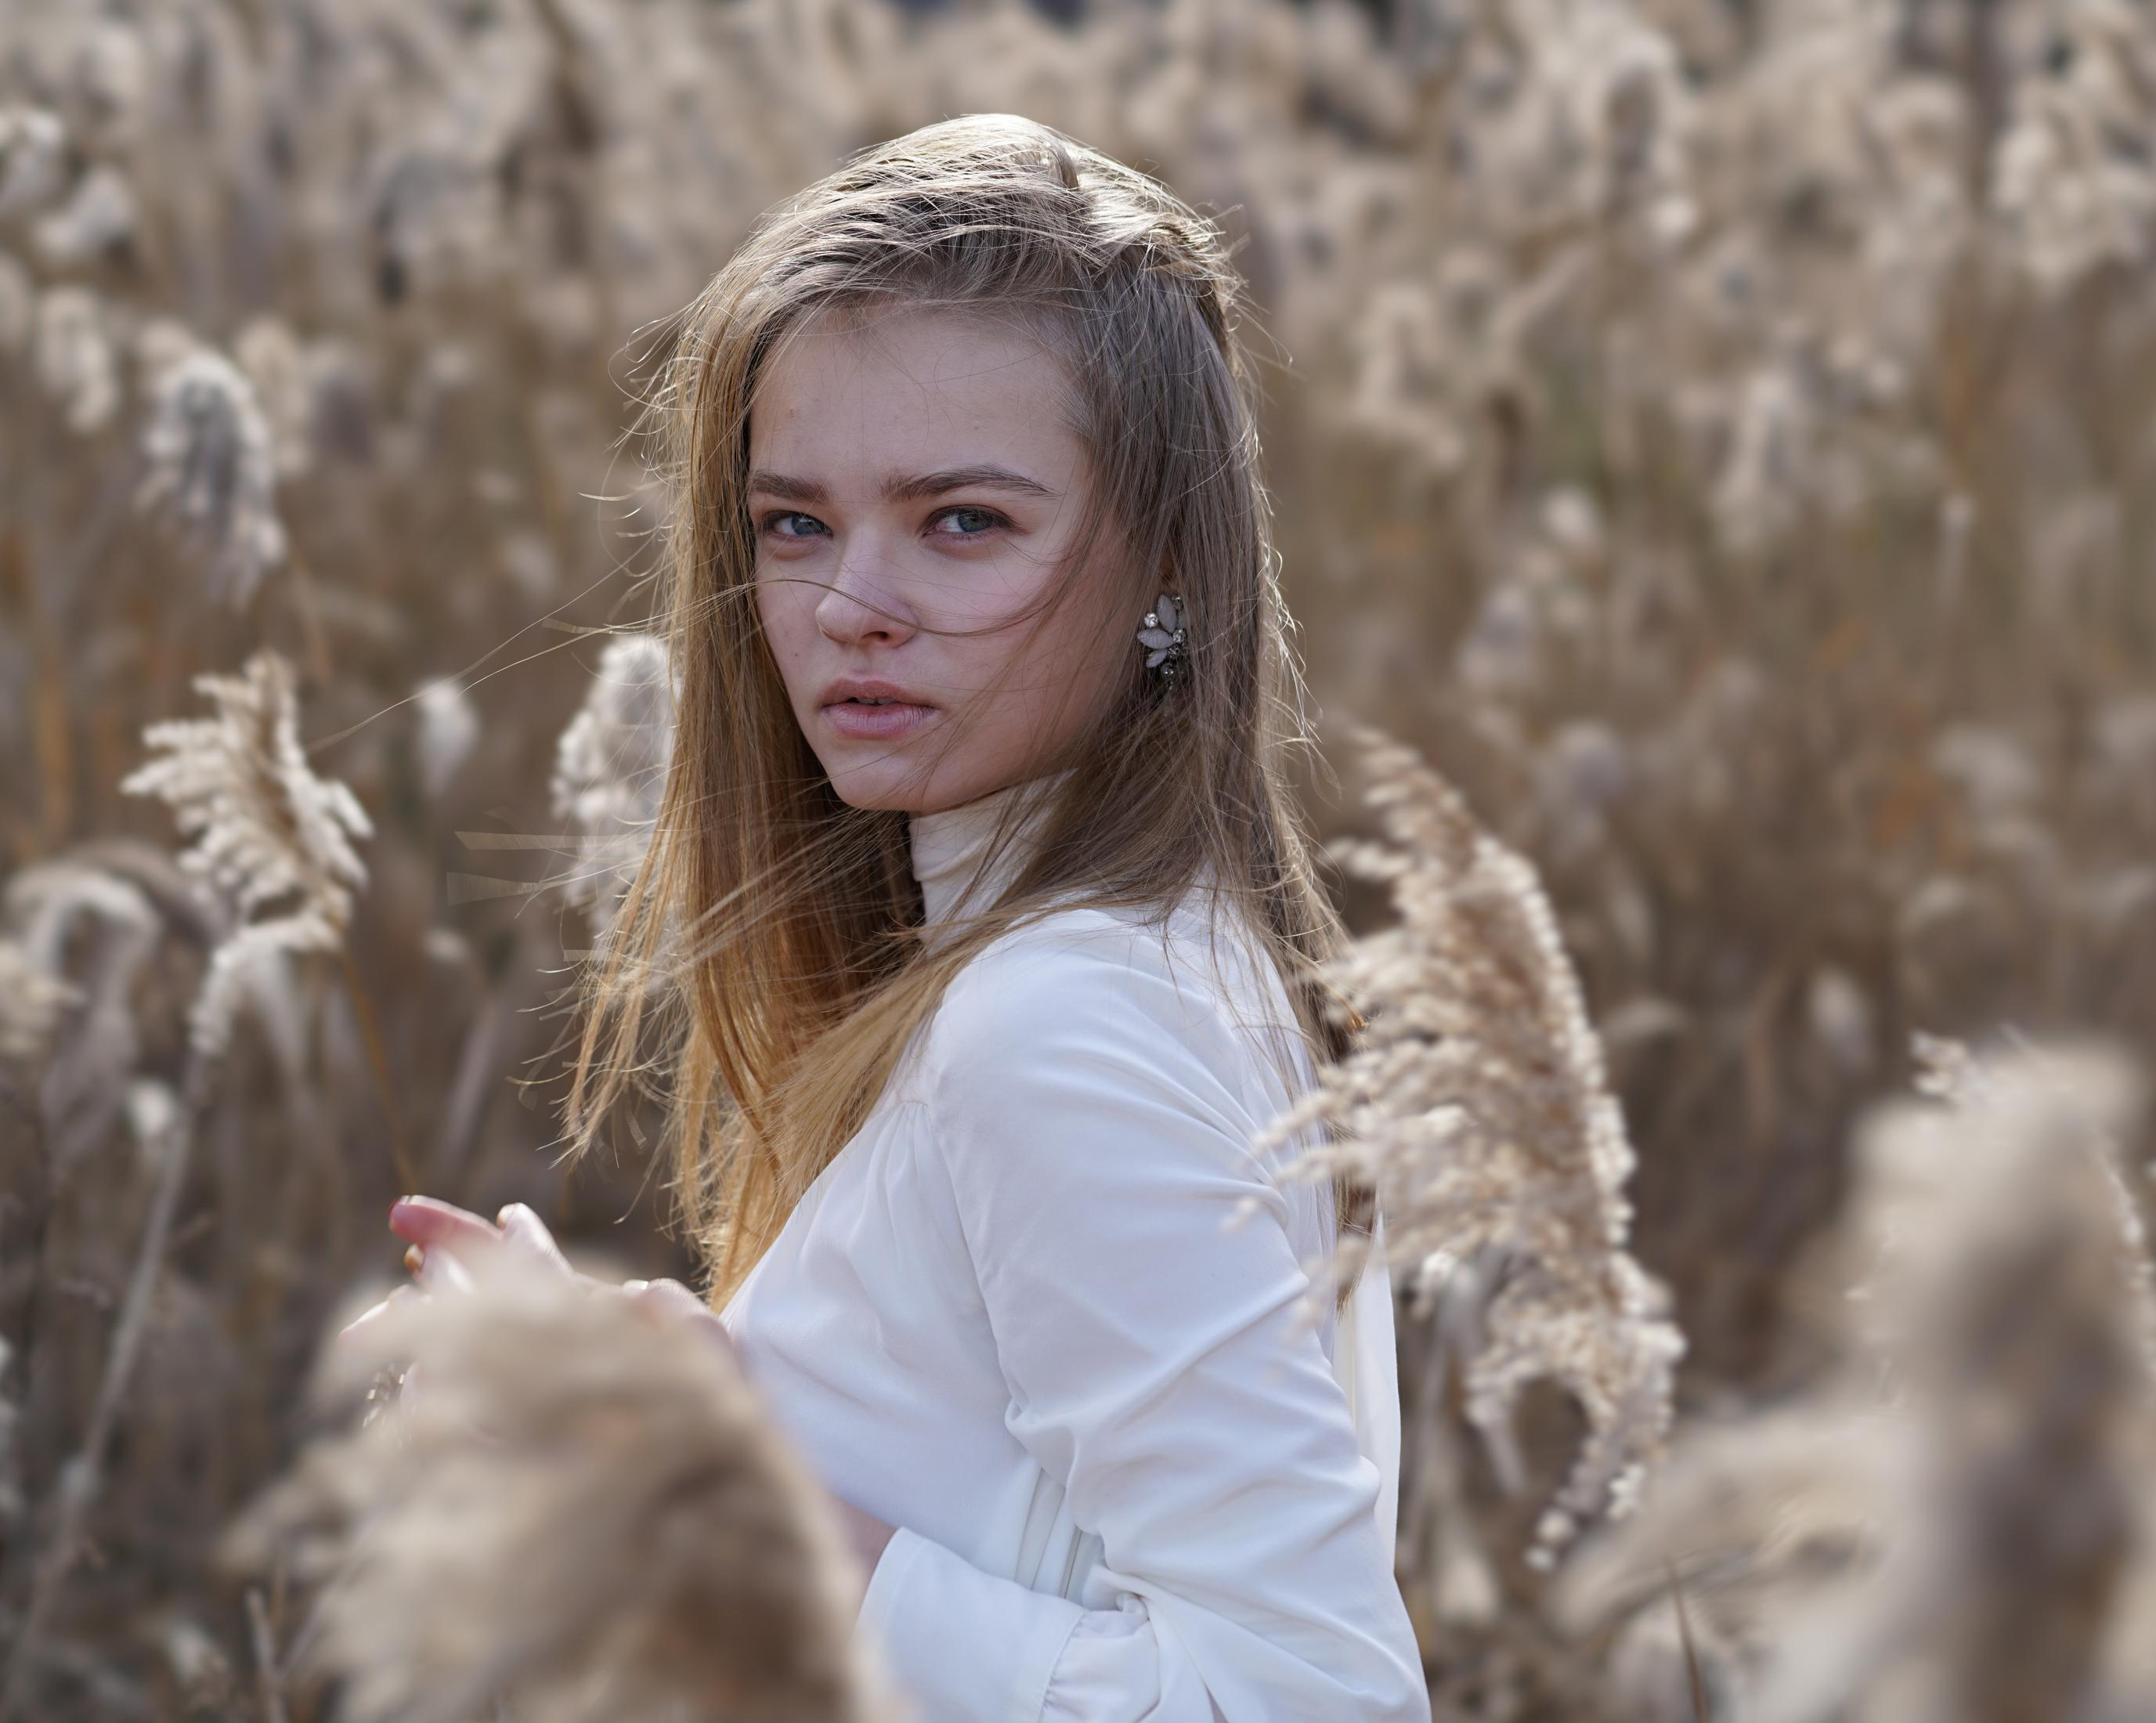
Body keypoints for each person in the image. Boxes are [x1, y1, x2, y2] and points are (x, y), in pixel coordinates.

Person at [352, 113, 1432, 1721]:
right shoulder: (1140, 947)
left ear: (1172, 573)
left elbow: (1316, 1697)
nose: (848, 599)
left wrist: (711, 1490)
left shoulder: (1060, 1019)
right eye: (794, 521)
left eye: (962, 522)